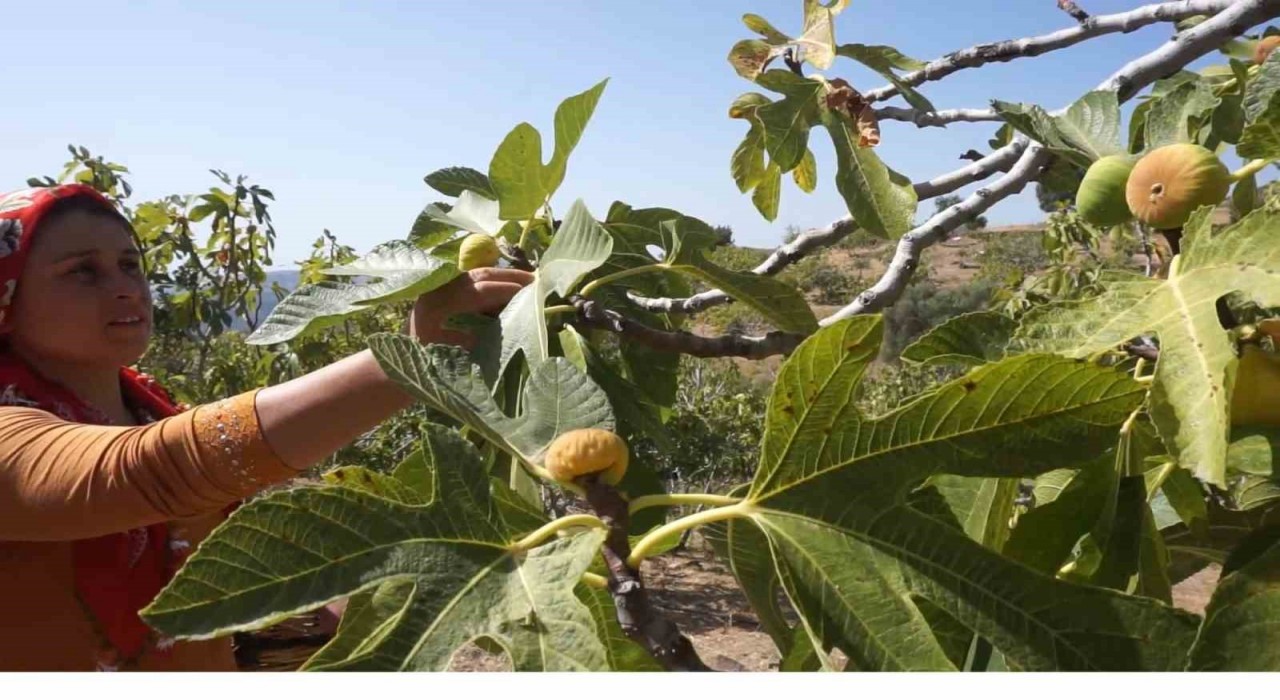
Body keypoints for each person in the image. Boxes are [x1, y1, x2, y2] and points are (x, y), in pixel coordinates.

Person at [0, 184, 533, 671]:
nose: (124, 288)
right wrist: (404, 362)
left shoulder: (149, 407)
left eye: (129, 264)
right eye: (82, 272)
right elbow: (154, 468)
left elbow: (228, 537)